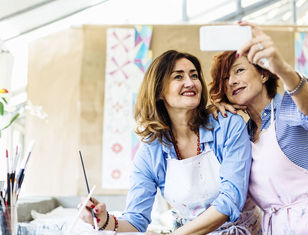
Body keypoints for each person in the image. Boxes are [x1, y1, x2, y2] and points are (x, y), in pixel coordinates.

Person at [80, 50, 262, 234]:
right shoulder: (151, 151)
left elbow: (230, 200)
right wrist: (105, 220)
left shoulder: (227, 125)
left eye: (194, 75)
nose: (190, 83)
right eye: (178, 77)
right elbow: (135, 220)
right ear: (159, 90)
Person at [209, 22, 308, 235]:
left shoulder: (290, 106)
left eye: (239, 70)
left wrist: (281, 67)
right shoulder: (242, 134)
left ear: (264, 74)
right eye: (225, 78)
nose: (232, 81)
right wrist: (212, 114)